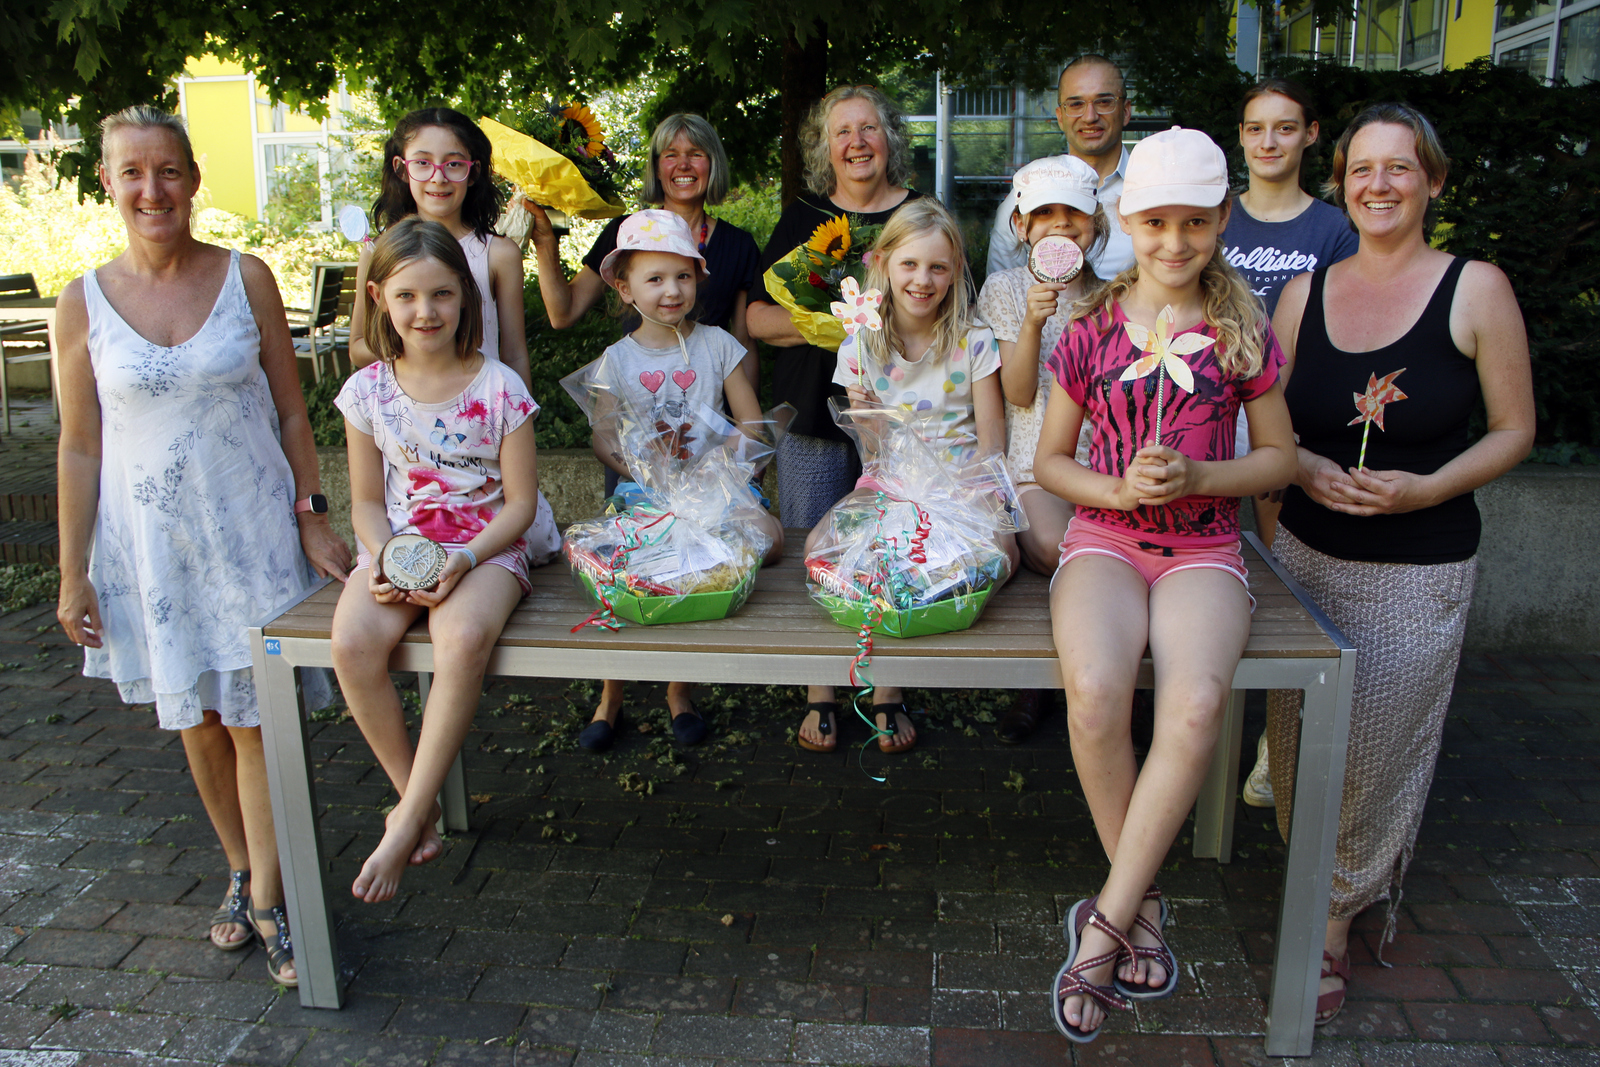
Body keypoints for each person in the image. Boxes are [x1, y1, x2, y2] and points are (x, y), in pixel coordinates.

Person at [55, 105, 352, 987]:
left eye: (170, 171)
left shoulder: (246, 278)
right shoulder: (83, 303)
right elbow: (78, 445)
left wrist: (312, 511)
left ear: (193, 178)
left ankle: (272, 894)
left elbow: (295, 409)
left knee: (258, 719)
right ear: (107, 182)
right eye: (133, 172)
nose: (154, 189)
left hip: (254, 531)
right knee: (199, 718)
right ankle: (242, 869)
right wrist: (73, 571)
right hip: (154, 549)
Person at [1265, 103, 1534, 1025]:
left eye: (1400, 168)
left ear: (1434, 181)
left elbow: (1514, 430)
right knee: (1297, 743)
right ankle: (1314, 876)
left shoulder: (1476, 289)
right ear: (1339, 181)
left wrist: (1426, 488)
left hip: (1416, 564)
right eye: (1363, 169)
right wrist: (1299, 462)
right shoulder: (1304, 292)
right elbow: (1269, 424)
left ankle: (1335, 916)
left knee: (1375, 744)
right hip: (1305, 551)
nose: (1379, 185)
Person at [1033, 127, 1297, 1043]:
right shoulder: (1090, 329)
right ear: (1123, 219)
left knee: (1194, 707)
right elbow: (1050, 462)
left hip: (1205, 547)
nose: (1175, 242)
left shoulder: (1241, 329)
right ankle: (1139, 906)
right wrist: (1117, 490)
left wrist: (1198, 480)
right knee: (1098, 693)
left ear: (1223, 218)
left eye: (1194, 221)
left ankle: (1103, 923)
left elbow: (1279, 458)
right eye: (1154, 222)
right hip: (1105, 539)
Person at [330, 218, 561, 904]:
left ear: (467, 299)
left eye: (441, 295)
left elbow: (521, 504)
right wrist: (381, 557)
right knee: (351, 641)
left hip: (487, 546)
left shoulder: (499, 388)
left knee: (459, 635)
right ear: (379, 298)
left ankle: (403, 822)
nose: (424, 311)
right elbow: (367, 503)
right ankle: (415, 800)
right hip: (403, 547)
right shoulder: (367, 392)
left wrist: (465, 556)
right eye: (406, 296)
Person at [797, 198, 1016, 755]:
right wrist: (868, 415)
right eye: (910, 265)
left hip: (965, 481)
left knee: (992, 558)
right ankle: (836, 685)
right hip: (890, 481)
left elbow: (992, 434)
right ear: (884, 265)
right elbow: (873, 451)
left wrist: (970, 490)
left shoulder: (974, 338)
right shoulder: (860, 345)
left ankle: (890, 683)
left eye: (938, 267)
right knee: (841, 554)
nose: (923, 280)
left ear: (954, 272)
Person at [574, 211, 784, 752]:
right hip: (644, 489)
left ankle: (678, 689)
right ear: (623, 287)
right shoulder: (616, 360)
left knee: (761, 542)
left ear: (699, 278)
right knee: (624, 566)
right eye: (655, 279)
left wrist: (719, 472)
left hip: (713, 489)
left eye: (684, 277)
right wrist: (645, 467)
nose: (672, 290)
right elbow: (604, 436)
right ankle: (610, 694)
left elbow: (750, 425)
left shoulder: (718, 346)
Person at [1224, 77, 1360, 810]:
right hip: (1209, 416)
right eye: (1254, 128)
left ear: (1311, 135)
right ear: (1241, 136)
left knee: (1283, 577)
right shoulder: (1217, 219)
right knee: (1210, 564)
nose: (1268, 141)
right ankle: (1212, 718)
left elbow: (1347, 324)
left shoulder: (1333, 230)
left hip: (1285, 419)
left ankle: (1278, 740)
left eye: (1284, 127)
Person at [747, 85, 924, 533]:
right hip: (811, 418)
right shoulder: (802, 218)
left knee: (904, 539)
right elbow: (756, 319)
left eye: (869, 128)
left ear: (890, 139)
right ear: (826, 149)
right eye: (842, 132)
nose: (857, 142)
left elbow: (957, 314)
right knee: (813, 547)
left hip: (905, 421)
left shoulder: (922, 215)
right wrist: (834, 324)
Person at [976, 156, 1107, 744]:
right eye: (1044, 214)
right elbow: (1020, 392)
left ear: (1095, 223)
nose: (1060, 225)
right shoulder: (1005, 289)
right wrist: (1032, 322)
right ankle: (1047, 683)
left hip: (1100, 464)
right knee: (1061, 544)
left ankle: (1106, 683)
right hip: (1032, 465)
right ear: (1023, 227)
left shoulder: (1114, 296)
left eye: (1073, 213)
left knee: (1111, 546)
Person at [529, 114, 761, 400]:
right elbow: (563, 314)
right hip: (639, 410)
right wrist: (544, 242)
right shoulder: (624, 234)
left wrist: (747, 431)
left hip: (709, 421)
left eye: (696, 154)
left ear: (713, 164)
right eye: (671, 155)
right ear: (656, 168)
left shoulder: (739, 245)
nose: (683, 165)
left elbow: (744, 342)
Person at [349, 109, 532, 389]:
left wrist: (522, 420)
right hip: (405, 417)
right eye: (423, 162)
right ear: (401, 169)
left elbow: (515, 354)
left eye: (454, 164)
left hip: (483, 411)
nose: (438, 177)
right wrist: (416, 339)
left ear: (474, 172)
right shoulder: (378, 251)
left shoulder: (499, 254)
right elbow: (358, 348)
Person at [987, 55, 1137, 281]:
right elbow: (1003, 289)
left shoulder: (1149, 188)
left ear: (1126, 111)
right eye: (1076, 104)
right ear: (1060, 117)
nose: (1090, 117)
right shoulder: (1023, 199)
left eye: (1104, 102)